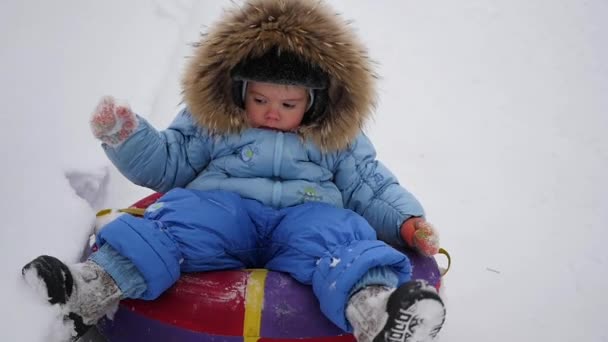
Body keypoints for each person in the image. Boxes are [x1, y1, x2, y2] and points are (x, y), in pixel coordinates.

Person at [22, 1, 446, 341]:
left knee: (339, 236)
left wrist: (407, 223)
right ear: (241, 91)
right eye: (260, 100)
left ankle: (376, 311)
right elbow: (170, 161)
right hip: (225, 206)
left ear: (314, 102)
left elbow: (368, 185)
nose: (272, 113)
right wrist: (126, 136)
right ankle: (94, 287)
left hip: (307, 215)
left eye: (288, 105)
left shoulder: (336, 138)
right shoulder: (215, 124)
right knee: (180, 219)